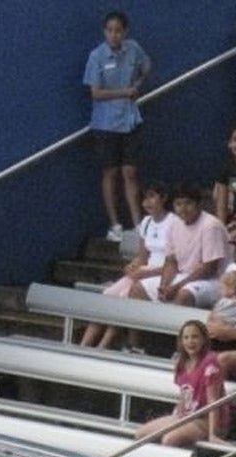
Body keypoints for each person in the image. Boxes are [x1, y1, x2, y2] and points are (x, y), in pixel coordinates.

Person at [80, 181, 178, 348]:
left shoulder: (174, 223)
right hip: (142, 272)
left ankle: (102, 347)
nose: (147, 202)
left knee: (123, 298)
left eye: (152, 197)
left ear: (164, 198)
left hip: (163, 275)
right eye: (144, 198)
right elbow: (142, 256)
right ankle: (83, 346)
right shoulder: (146, 222)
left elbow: (175, 263)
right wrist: (133, 265)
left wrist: (147, 273)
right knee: (107, 296)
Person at [83, 10, 151, 242]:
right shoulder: (97, 56)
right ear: (105, 32)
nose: (113, 35)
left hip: (130, 120)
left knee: (130, 172)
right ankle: (115, 225)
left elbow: (146, 66)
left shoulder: (133, 49)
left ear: (125, 32)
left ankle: (138, 223)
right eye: (109, 31)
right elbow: (96, 93)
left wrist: (138, 84)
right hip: (105, 124)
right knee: (110, 172)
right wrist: (125, 91)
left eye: (118, 31)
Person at [128, 182, 233, 308]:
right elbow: (171, 261)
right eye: (178, 204)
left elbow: (208, 269)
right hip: (185, 277)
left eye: (188, 203)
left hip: (215, 281)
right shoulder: (175, 224)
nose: (183, 209)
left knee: (183, 295)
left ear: (199, 204)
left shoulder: (210, 225)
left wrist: (176, 287)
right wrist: (164, 286)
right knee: (137, 289)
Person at [135, 319, 229, 445]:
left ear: (203, 340)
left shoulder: (210, 362)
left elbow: (213, 401)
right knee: (141, 434)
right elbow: (184, 394)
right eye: (186, 338)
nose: (190, 341)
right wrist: (176, 416)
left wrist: (213, 434)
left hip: (205, 419)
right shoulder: (182, 362)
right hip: (187, 416)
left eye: (195, 337)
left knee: (169, 439)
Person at [212, 124, 236, 241]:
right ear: (229, 144)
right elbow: (221, 208)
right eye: (235, 140)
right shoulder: (226, 171)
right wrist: (222, 233)